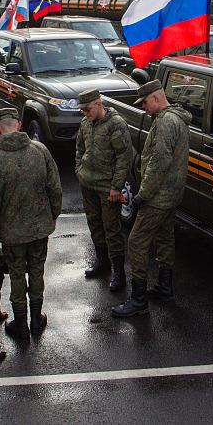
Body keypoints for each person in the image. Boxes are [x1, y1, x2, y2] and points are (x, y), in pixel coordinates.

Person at [0, 108, 62, 338]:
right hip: (39, 229)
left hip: (12, 235)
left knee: (16, 275)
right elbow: (55, 189)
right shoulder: (40, 151)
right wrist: (52, 215)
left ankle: (20, 325)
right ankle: (36, 321)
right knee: (37, 271)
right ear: (20, 124)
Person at [112, 79, 191, 318]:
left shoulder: (166, 122)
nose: (144, 107)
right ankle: (165, 289)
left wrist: (141, 195)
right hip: (171, 194)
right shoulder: (175, 119)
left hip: (158, 196)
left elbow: (158, 163)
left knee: (136, 242)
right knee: (165, 238)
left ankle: (138, 301)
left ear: (156, 98)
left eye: (145, 102)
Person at [75, 89, 133, 292]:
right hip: (88, 183)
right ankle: (102, 262)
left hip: (107, 187)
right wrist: (79, 170)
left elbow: (124, 158)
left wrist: (116, 187)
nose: (84, 113)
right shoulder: (85, 124)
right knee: (95, 223)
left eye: (87, 109)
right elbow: (80, 149)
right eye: (82, 110)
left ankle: (119, 273)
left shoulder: (115, 125)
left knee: (112, 228)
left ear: (98, 104)